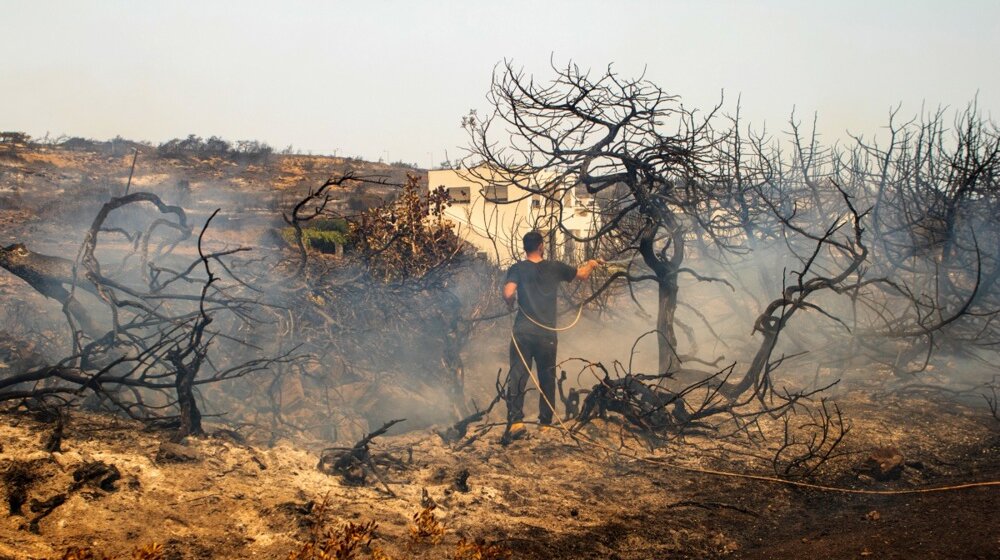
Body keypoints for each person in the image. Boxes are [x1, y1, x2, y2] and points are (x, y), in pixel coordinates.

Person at [502, 230, 601, 438]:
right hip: (547, 333)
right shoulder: (554, 267)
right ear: (541, 246)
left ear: (525, 247)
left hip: (522, 331)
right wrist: (591, 265)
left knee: (518, 375)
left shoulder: (517, 268)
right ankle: (545, 423)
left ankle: (516, 422)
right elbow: (582, 275)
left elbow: (508, 293)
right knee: (547, 376)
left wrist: (510, 303)